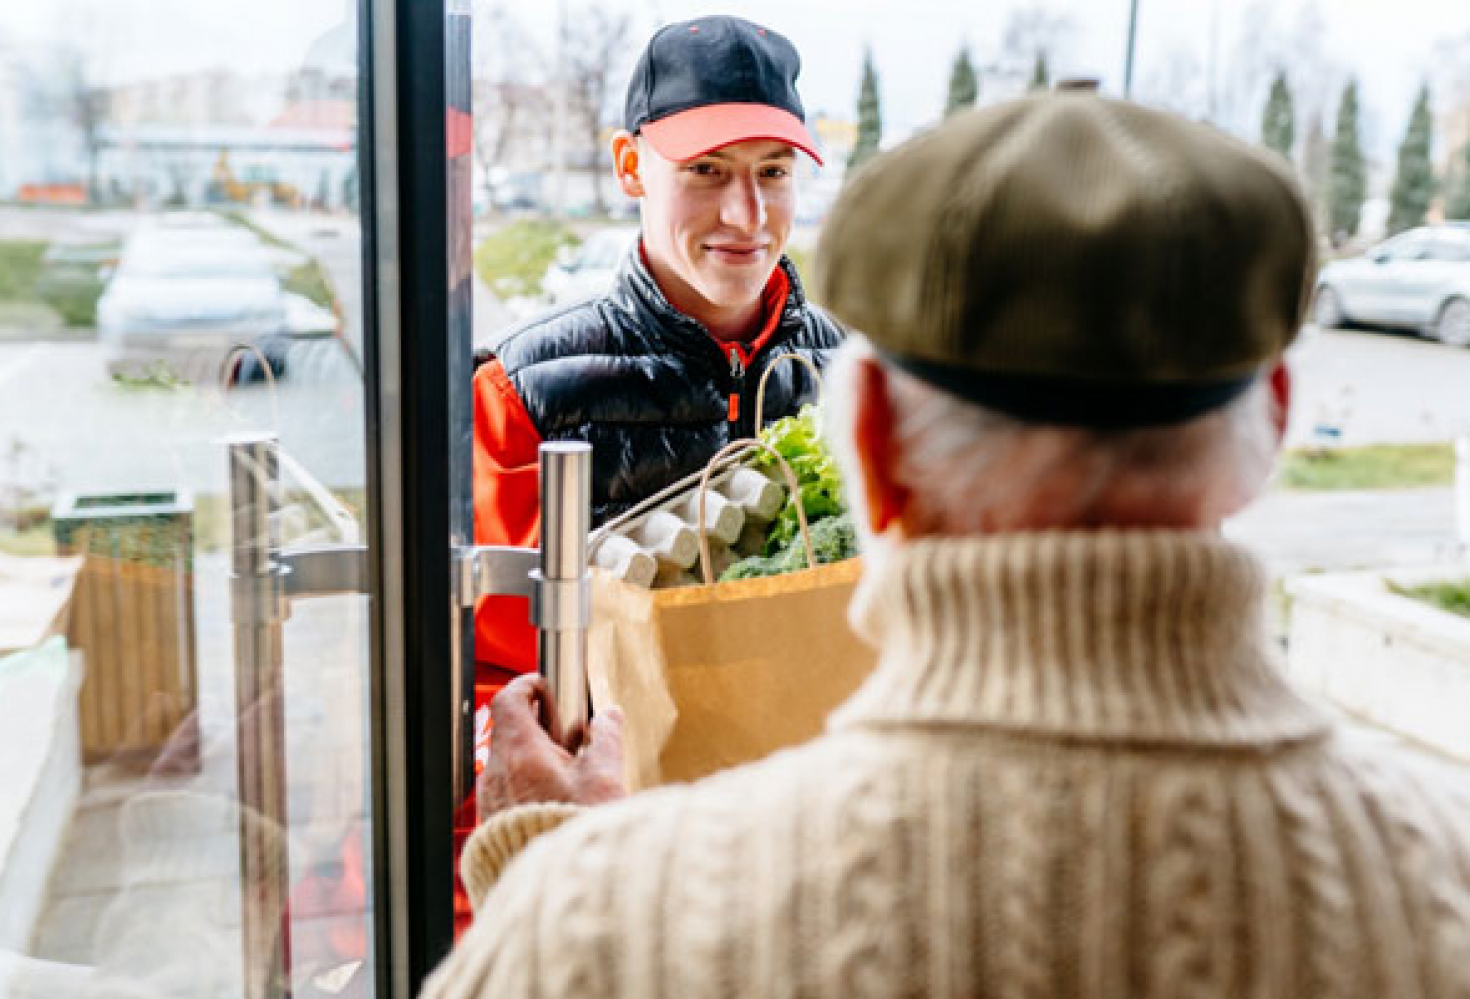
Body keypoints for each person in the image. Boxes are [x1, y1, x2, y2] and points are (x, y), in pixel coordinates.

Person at [426, 94, 1470, 997]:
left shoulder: (616, 919)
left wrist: (549, 875)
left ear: (869, 438)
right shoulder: (1436, 875)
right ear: (1275, 421)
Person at [472, 15, 842, 683]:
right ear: (630, 166)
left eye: (773, 169)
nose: (748, 214)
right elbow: (495, 680)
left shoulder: (851, 373)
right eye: (707, 169)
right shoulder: (518, 395)